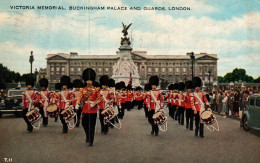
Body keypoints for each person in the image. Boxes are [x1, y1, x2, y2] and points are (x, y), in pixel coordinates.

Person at [76, 68, 102, 146]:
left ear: (92, 80)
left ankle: (91, 140)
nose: (89, 81)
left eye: (90, 80)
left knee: (92, 126)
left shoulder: (96, 90)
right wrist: (77, 103)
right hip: (85, 109)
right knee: (84, 124)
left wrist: (94, 103)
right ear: (85, 81)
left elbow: (100, 98)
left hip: (93, 110)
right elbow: (80, 97)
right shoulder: (83, 90)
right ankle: (88, 135)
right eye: (87, 80)